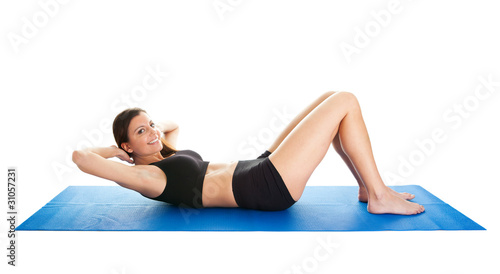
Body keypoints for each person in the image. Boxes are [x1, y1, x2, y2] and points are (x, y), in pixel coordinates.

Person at [72, 91, 425, 215]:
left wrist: (148, 131)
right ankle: (379, 195)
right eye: (141, 131)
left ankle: (366, 187)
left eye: (150, 125)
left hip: (257, 166)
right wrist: (118, 153)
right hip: (264, 186)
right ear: (126, 146)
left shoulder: (163, 154)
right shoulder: (145, 176)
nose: (152, 132)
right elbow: (80, 158)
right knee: (345, 101)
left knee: (330, 96)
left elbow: (173, 125)